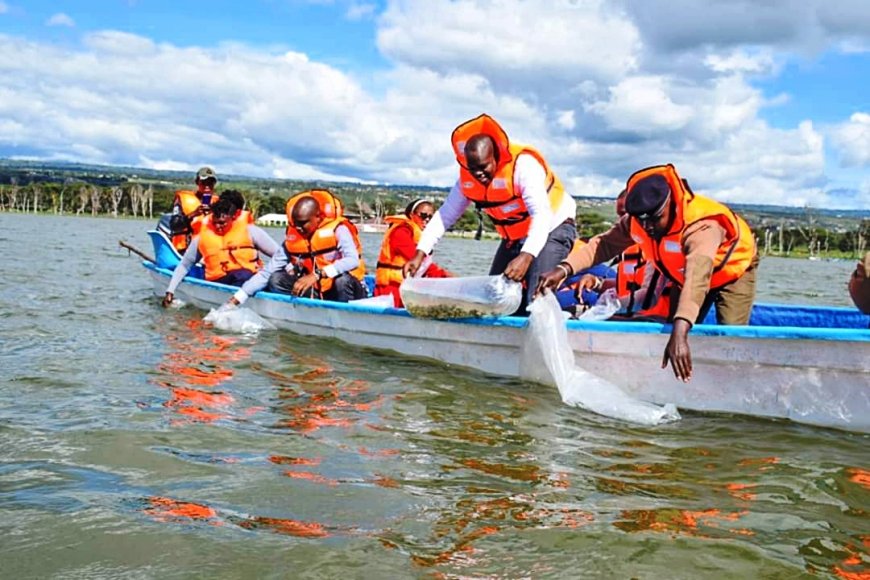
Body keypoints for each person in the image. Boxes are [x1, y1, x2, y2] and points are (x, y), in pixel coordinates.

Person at [536, 164, 758, 382]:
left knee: (729, 333)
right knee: (671, 326)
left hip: (731, 270)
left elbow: (696, 281)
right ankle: (678, 378)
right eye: (642, 221)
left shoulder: (701, 227)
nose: (648, 227)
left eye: (654, 219)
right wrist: (562, 269)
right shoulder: (639, 220)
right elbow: (602, 245)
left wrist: (680, 335)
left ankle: (737, 378)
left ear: (670, 204)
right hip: (683, 274)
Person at [403, 114, 577, 313]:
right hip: (516, 236)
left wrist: (526, 256)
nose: (478, 174)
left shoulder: (524, 167)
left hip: (553, 227)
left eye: (484, 166)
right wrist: (420, 253)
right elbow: (444, 217)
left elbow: (542, 215)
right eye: (473, 168)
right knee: (493, 299)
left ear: (496, 157)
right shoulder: (466, 180)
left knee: (537, 299)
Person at [224, 189, 367, 306]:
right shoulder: (293, 238)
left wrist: (318, 274)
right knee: (276, 279)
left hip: (346, 290)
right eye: (295, 223)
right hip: (316, 292)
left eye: (303, 223)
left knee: (342, 281)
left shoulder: (338, 230)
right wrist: (238, 297)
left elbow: (352, 260)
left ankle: (344, 317)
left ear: (318, 217)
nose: (298, 228)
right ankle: (309, 310)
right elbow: (267, 272)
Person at [162, 190, 279, 307]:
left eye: (222, 223)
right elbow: (184, 265)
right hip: (220, 281)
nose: (218, 227)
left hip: (250, 281)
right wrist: (170, 291)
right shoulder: (202, 237)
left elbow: (280, 256)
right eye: (215, 222)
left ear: (233, 217)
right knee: (242, 275)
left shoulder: (250, 231)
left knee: (258, 277)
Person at [374, 198, 452, 307]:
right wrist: (445, 276)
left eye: (431, 217)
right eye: (423, 215)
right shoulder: (400, 232)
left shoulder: (420, 235)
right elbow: (419, 261)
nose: (427, 220)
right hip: (390, 291)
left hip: (406, 288)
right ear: (412, 215)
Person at [169, 166, 220, 252]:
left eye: (210, 183)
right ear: (197, 182)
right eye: (204, 183)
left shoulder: (219, 203)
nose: (207, 186)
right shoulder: (182, 199)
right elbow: (174, 225)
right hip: (186, 249)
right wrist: (194, 214)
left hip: (211, 247)